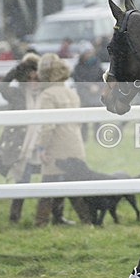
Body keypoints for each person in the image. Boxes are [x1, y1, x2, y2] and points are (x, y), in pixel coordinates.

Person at [34, 53, 91, 226]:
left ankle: (41, 221)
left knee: (48, 183)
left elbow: (47, 126)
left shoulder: (47, 95)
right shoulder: (71, 93)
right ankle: (86, 219)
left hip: (56, 146)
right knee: (73, 184)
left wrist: (41, 147)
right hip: (75, 144)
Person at [0, 54, 41, 223]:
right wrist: (17, 70)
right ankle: (14, 216)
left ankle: (49, 216)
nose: (33, 82)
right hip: (22, 145)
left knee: (53, 177)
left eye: (36, 78)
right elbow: (2, 87)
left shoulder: (45, 93)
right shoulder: (16, 94)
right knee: (23, 179)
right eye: (29, 78)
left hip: (42, 142)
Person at [71, 47, 105, 140]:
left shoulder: (97, 65)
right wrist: (89, 86)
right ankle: (84, 138)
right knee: (84, 120)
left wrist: (98, 86)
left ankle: (98, 138)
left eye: (90, 52)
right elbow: (77, 79)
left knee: (97, 119)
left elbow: (102, 78)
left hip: (96, 97)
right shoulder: (78, 67)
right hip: (84, 97)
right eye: (87, 53)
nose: (89, 55)